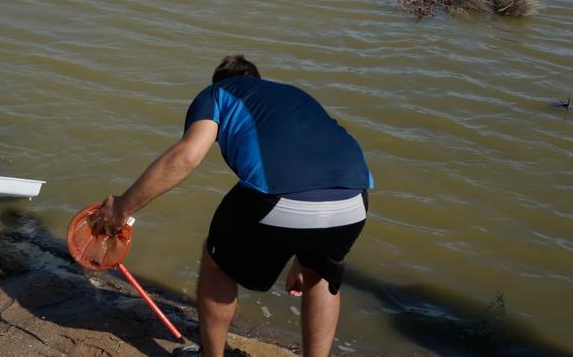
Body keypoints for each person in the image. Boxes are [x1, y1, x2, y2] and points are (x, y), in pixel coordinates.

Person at [90, 55, 372, 357]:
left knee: (216, 265)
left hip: (281, 196)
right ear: (258, 80)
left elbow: (186, 156)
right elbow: (310, 164)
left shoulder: (218, 94)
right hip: (355, 196)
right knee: (322, 276)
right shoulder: (293, 94)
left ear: (220, 81)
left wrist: (122, 208)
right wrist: (304, 259)